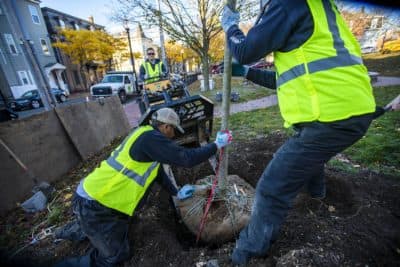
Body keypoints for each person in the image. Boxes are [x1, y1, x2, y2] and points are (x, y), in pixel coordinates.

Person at [220, 1, 381, 265]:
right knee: (308, 156)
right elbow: (285, 78)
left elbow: (245, 50)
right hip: (350, 110)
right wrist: (248, 73)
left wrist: (230, 26)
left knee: (272, 188)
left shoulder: (288, 3)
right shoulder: (320, 10)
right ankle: (317, 199)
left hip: (331, 117)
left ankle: (243, 257)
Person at [57, 107, 232, 267]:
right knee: (116, 256)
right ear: (165, 127)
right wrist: (215, 145)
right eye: (173, 131)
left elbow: (156, 173)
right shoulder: (150, 139)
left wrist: (175, 192)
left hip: (103, 201)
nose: (174, 136)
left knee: (120, 230)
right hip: (95, 203)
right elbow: (186, 158)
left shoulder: (144, 134)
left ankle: (82, 228)